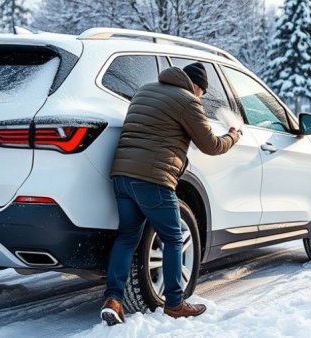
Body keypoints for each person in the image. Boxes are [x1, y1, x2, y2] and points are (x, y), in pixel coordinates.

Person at [100, 62, 240, 325]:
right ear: (196, 86)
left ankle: (113, 299)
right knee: (174, 237)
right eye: (202, 92)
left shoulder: (144, 90)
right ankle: (175, 303)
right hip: (153, 178)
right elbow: (211, 145)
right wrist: (233, 135)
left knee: (127, 238)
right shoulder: (188, 100)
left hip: (121, 175)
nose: (200, 97)